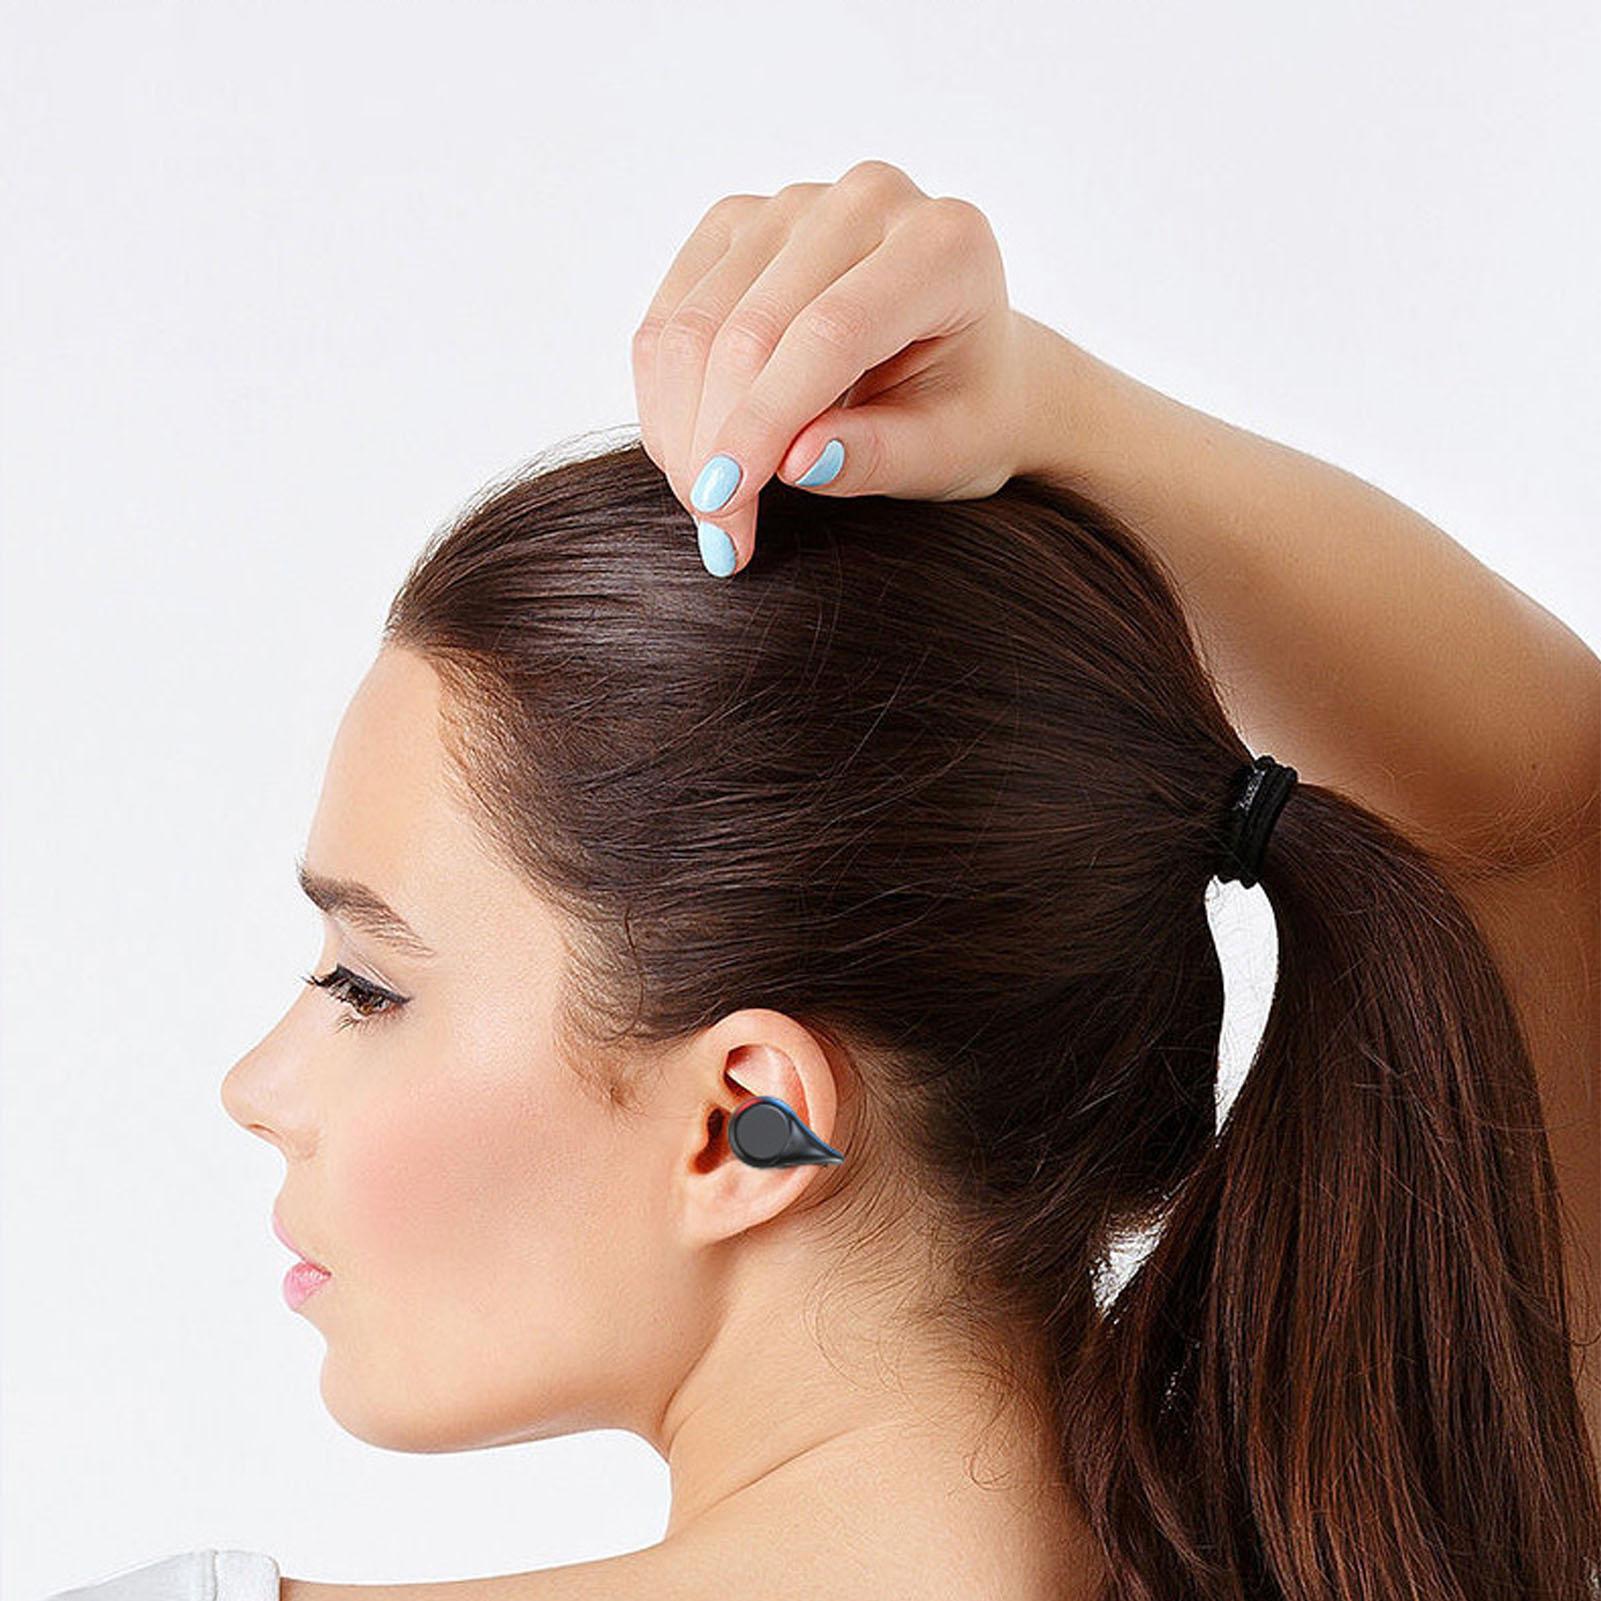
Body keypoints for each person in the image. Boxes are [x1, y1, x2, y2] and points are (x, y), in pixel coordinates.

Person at [45, 159, 1601, 1601]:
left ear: (747, 1115)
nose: (258, 1086)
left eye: (363, 983)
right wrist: (1060, 408)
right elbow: (1537, 811)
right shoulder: (1400, 1514)